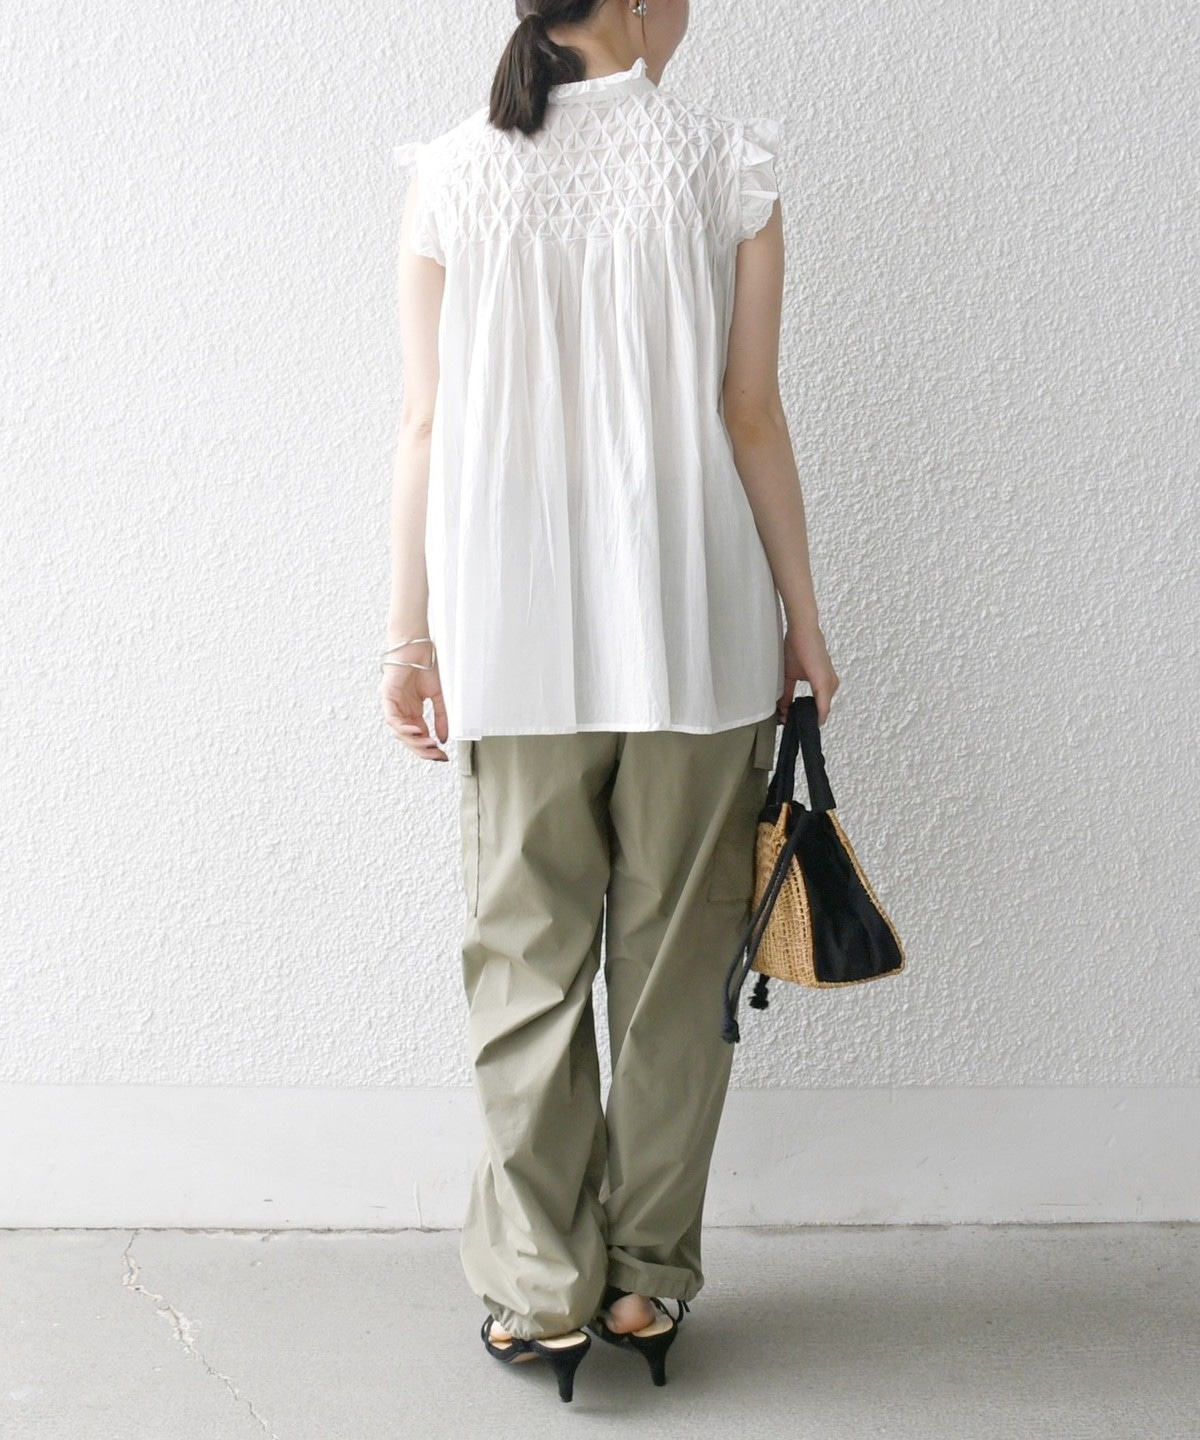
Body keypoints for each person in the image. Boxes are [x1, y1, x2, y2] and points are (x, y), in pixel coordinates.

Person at [381, 0, 838, 1406]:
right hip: (694, 630)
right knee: (677, 969)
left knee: (524, 962)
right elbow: (750, 412)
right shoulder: (727, 162)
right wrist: (802, 618)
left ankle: (539, 1293)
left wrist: (408, 636)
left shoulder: (453, 172)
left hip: (509, 636)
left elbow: (425, 423)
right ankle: (644, 1280)